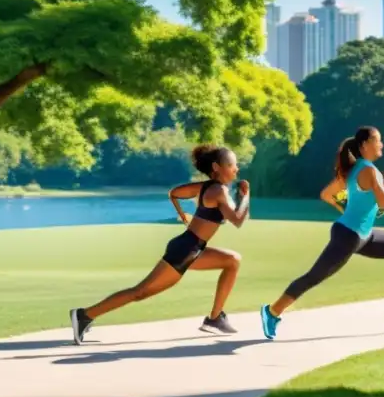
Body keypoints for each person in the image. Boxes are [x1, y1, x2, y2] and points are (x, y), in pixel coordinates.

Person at [69, 144, 250, 344]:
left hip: (193, 248)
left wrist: (182, 215)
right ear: (217, 167)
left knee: (232, 260)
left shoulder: (205, 187)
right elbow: (238, 220)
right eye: (233, 164)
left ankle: (215, 318)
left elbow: (174, 193)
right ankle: (84, 315)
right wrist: (245, 196)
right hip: (185, 250)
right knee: (140, 292)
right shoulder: (218, 190)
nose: (236, 169)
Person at [259, 126, 384, 340]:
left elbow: (327, 194)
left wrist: (348, 209)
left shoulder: (354, 170)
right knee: (314, 276)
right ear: (365, 145)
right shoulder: (369, 171)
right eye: (378, 141)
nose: (381, 144)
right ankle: (271, 312)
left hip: (363, 235)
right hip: (348, 236)